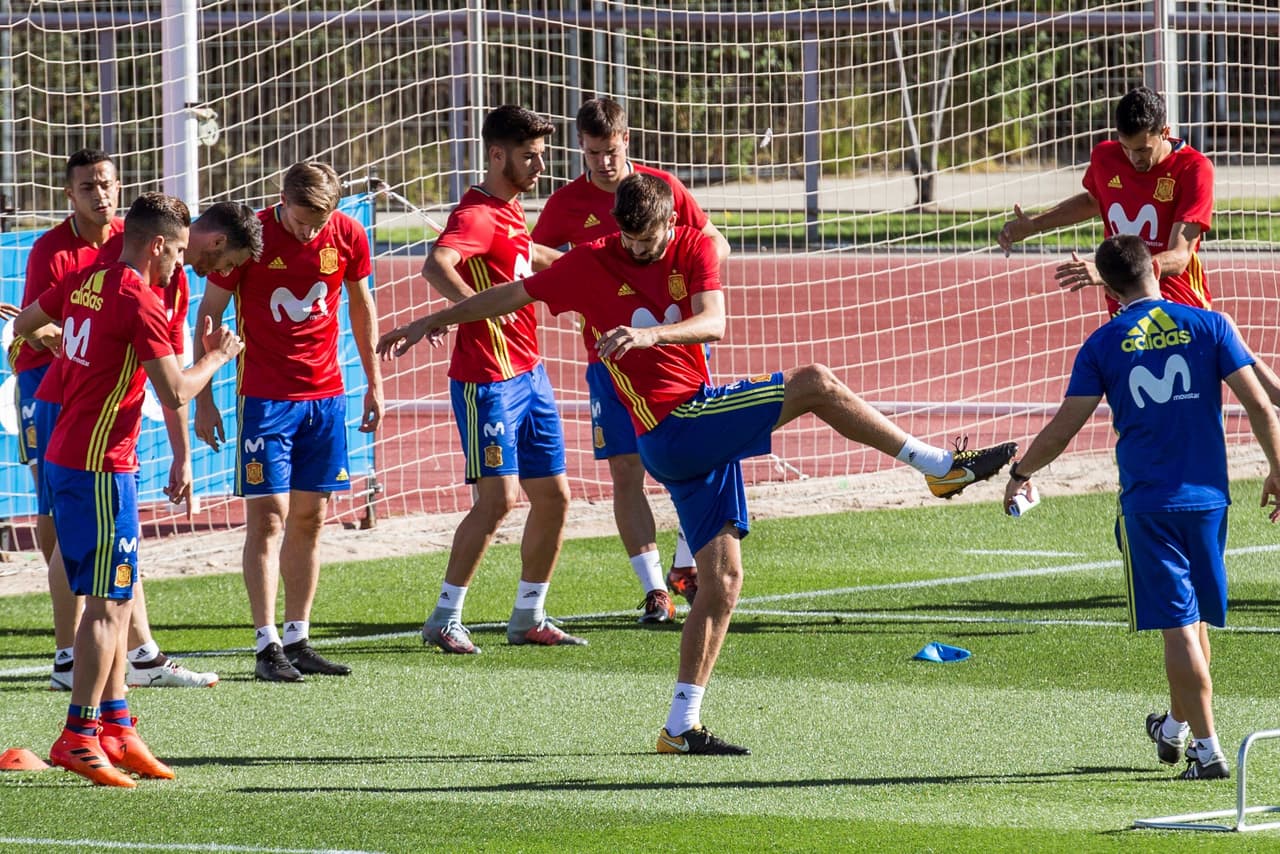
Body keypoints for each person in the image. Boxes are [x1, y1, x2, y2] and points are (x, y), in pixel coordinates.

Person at [379, 173, 1016, 754]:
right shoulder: (591, 262)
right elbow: (505, 295)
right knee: (816, 381)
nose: (636, 249)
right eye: (626, 237)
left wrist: (649, 335)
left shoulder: (693, 245)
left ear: (669, 225)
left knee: (722, 584)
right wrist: (427, 320)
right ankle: (937, 466)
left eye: (647, 238)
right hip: (676, 427)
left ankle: (679, 725)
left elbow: (714, 322)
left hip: (696, 427)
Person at [1002, 235, 1280, 780]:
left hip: (1149, 504)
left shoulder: (1104, 343)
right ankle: (1175, 728)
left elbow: (1064, 428)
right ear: (1154, 268)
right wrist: (1278, 470)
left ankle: (1208, 750)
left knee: (1177, 626)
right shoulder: (1211, 324)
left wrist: (1021, 471)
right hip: (1209, 500)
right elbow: (1263, 407)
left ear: (1106, 282)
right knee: (1194, 620)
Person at [15, 192, 244, 786]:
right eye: (175, 253)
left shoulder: (89, 278)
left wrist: (67, 342)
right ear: (160, 245)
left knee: (112, 597)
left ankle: (115, 725)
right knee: (109, 604)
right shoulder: (138, 298)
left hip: (75, 453)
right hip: (97, 463)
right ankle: (79, 733)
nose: (179, 265)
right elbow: (174, 391)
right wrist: (217, 358)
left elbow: (27, 322)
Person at [531, 97, 730, 623]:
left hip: (675, 354)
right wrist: (585, 270)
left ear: (627, 140)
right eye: (592, 152)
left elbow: (715, 243)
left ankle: (686, 565)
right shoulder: (566, 204)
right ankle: (653, 591)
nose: (602, 162)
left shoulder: (661, 190)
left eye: (611, 150)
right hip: (610, 361)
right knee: (626, 470)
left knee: (698, 460)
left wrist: (690, 283)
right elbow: (532, 257)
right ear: (581, 147)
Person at [192, 162, 383, 682]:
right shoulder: (250, 237)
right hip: (266, 400)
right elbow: (208, 315)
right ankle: (265, 644)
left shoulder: (346, 233)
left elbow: (362, 307)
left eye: (318, 223)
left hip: (326, 399)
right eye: (301, 223)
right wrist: (203, 399)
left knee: (311, 518)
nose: (309, 232)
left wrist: (375, 382)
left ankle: (298, 637)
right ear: (282, 199)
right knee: (269, 517)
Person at [415, 104, 583, 655]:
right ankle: (445, 616)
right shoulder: (477, 213)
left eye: (542, 155)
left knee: (554, 497)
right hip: (486, 379)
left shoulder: (509, 209)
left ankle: (529, 615)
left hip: (530, 374)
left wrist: (576, 269)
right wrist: (473, 310)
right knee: (499, 500)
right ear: (496, 154)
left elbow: (519, 253)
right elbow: (437, 265)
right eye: (529, 157)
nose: (539, 167)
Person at [997, 86, 1280, 402]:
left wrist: (1109, 273)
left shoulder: (1194, 169)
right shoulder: (1105, 157)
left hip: (1180, 305)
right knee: (1138, 403)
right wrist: (1034, 225)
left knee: (1249, 391)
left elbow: (1181, 256)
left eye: (1143, 150)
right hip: (1125, 305)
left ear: (1165, 133)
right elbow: (1094, 200)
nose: (1134, 159)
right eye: (1126, 148)